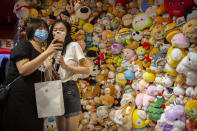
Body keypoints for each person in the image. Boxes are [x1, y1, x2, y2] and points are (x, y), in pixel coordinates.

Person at [2, 18, 63, 131]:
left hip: (36, 102)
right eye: (39, 28)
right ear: (31, 30)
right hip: (19, 99)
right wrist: (47, 53)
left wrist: (50, 69)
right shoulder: (24, 44)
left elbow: (45, 81)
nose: (43, 31)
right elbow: (23, 70)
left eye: (45, 29)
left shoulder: (43, 52)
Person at [47, 20, 90, 131]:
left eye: (61, 30)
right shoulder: (50, 48)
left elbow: (86, 70)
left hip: (69, 88)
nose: (58, 32)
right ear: (52, 32)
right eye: (55, 30)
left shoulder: (74, 45)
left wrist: (66, 66)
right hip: (54, 87)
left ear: (67, 32)